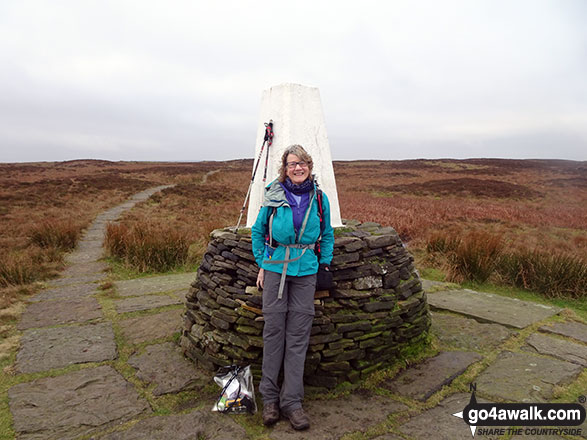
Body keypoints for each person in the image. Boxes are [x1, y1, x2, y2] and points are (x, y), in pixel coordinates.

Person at [251, 144, 334, 430]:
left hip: (306, 270)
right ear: (285, 169)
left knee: (298, 336)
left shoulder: (320, 199)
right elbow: (259, 231)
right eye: (291, 164)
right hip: (275, 270)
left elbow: (328, 235)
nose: (297, 168)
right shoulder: (274, 196)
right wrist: (263, 261)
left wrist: (324, 265)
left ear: (309, 166)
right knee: (274, 333)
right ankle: (270, 400)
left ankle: (293, 403)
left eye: (302, 164)